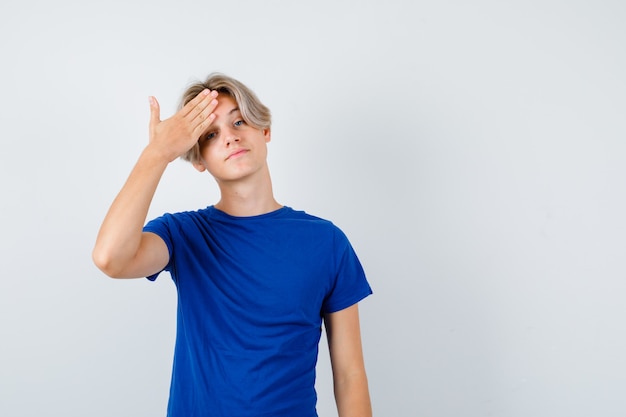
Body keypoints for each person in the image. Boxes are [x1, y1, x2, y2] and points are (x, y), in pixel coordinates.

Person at [92, 73, 373, 417]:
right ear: (198, 159)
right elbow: (110, 259)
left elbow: (349, 375)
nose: (230, 137)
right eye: (211, 134)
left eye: (239, 121)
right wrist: (157, 153)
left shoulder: (327, 242)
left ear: (264, 130)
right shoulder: (183, 234)